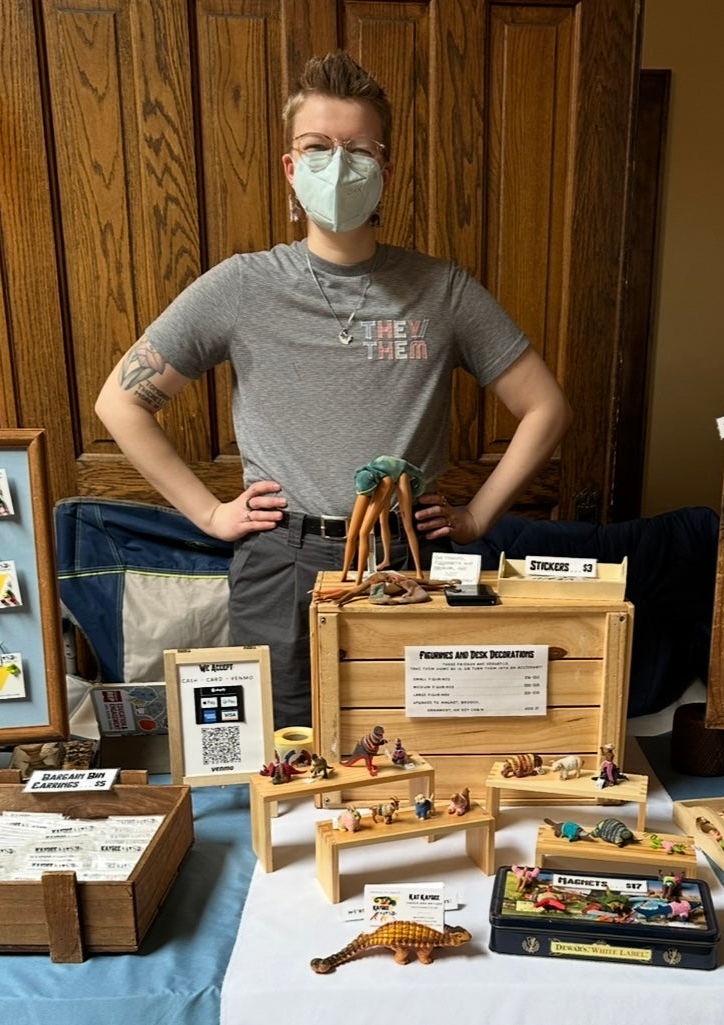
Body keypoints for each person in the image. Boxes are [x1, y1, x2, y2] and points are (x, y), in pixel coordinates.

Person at [95, 51, 570, 727]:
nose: (338, 164)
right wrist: (208, 514)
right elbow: (120, 401)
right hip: (281, 562)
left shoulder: (443, 290)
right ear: (291, 168)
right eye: (317, 147)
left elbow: (545, 408)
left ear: (385, 171)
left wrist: (476, 517)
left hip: (410, 558)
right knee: (286, 751)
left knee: (417, 741)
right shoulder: (241, 286)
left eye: (359, 149)